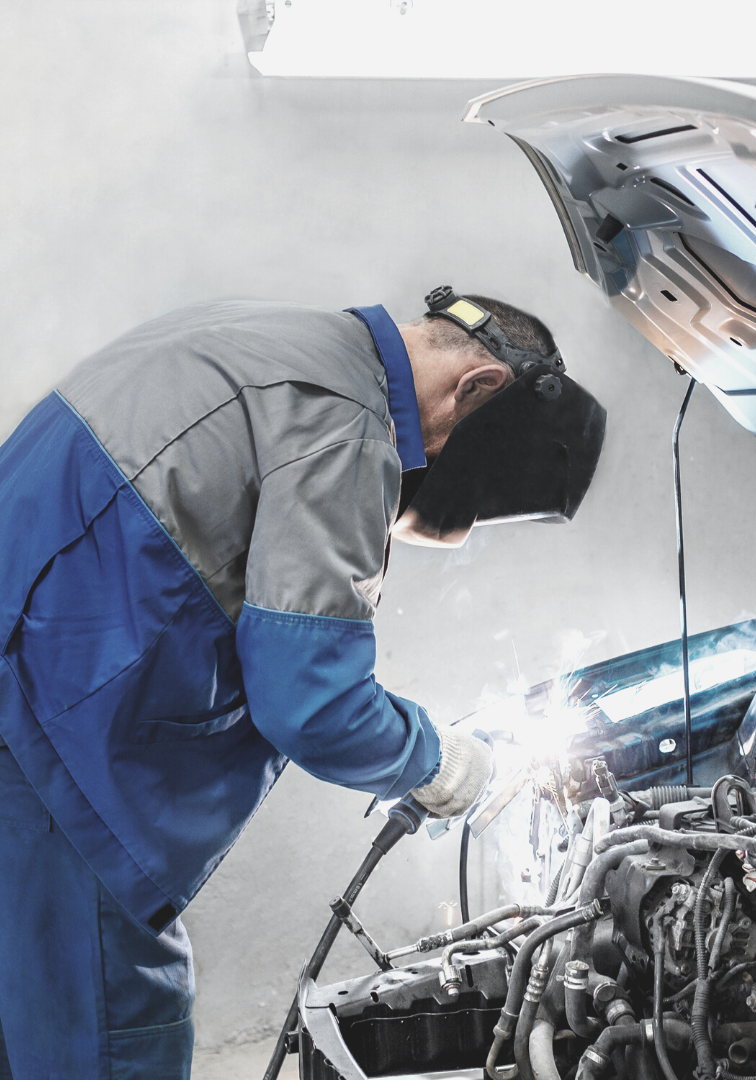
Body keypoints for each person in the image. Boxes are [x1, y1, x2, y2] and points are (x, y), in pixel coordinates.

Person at [0, 288, 606, 1080]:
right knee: (108, 1039)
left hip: (28, 706)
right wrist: (446, 765)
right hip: (54, 753)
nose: (413, 479)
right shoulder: (347, 420)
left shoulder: (263, 334)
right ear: (477, 386)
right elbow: (311, 702)